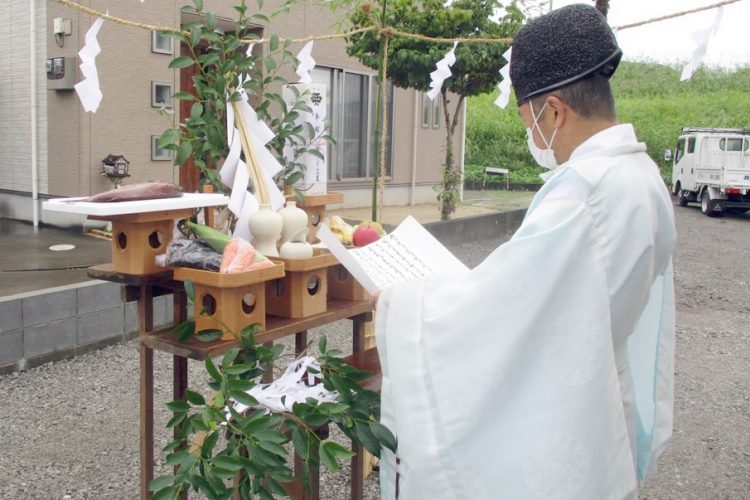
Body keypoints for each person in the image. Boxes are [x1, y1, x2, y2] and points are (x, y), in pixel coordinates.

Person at [373, 4, 676, 499]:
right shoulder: (641, 177)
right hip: (597, 387)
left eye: (528, 120)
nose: (531, 135)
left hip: (563, 405)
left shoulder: (584, 191)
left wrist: (401, 303)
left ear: (553, 110)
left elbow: (502, 309)